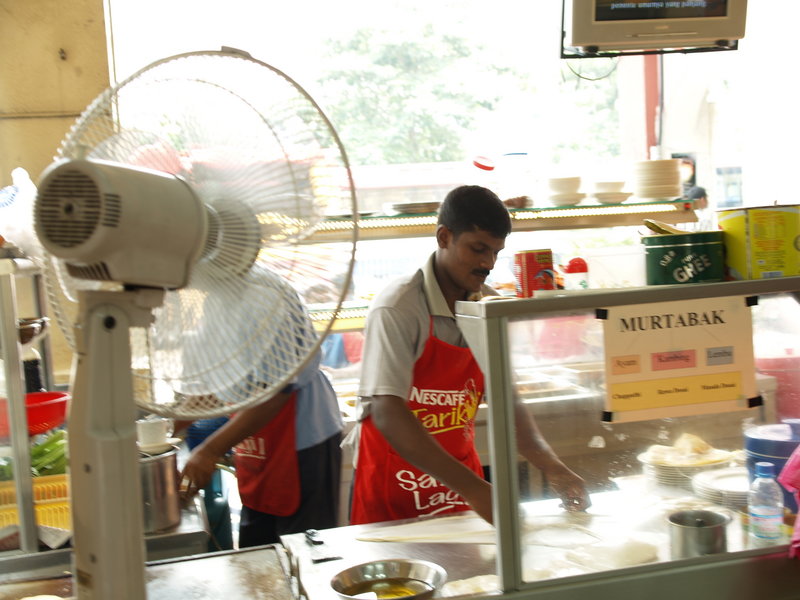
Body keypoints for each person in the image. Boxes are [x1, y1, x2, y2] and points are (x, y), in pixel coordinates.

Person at [349, 185, 590, 526]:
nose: (487, 264)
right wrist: (477, 491)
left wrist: (552, 466)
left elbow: (506, 398)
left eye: (495, 252)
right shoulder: (399, 307)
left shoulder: (484, 305)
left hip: (460, 490)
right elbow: (388, 412)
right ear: (444, 237)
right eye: (478, 249)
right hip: (395, 493)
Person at [179, 267, 344, 547]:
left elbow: (275, 392)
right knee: (258, 548)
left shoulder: (263, 297)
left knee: (303, 553)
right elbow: (220, 376)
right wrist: (171, 427)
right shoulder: (216, 298)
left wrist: (209, 450)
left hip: (302, 441)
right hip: (257, 443)